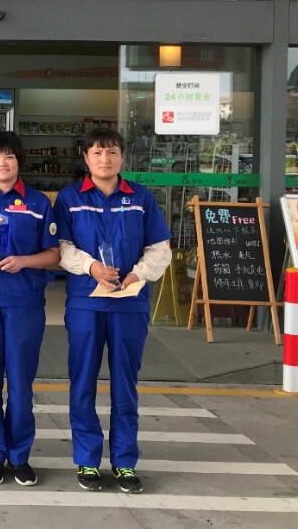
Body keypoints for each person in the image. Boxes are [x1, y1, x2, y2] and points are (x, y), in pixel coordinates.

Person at [53, 127, 172, 494]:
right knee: (83, 381)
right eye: (97, 152)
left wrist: (139, 274)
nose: (105, 159)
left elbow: (160, 247)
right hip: (86, 303)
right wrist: (91, 268)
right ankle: (87, 460)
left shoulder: (140, 197)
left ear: (122, 157)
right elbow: (61, 247)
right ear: (86, 158)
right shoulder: (70, 198)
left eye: (112, 152)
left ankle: (124, 462)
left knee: (125, 384)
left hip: (129, 304)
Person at [0, 131, 60, 487]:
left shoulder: (38, 203)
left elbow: (54, 254)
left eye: (9, 156)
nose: (2, 163)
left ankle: (19, 456)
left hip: (24, 302)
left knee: (20, 382)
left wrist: (25, 261)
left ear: (19, 161)